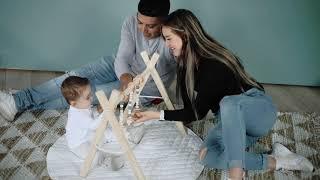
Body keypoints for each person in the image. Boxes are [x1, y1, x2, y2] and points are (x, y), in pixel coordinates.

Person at [133, 9, 314, 179]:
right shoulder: (185, 66)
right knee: (207, 155)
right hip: (232, 125)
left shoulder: (213, 65)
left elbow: (208, 110)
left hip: (257, 112)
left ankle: (236, 173)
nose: (167, 44)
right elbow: (193, 112)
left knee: (228, 103)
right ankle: (279, 160)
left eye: (169, 38)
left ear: (185, 35)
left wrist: (156, 115)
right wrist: (154, 115)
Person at [0, 0, 175, 121]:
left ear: (164, 21)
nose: (143, 31)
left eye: (151, 26)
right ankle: (17, 101)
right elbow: (123, 57)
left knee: (83, 95)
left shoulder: (172, 35)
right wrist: (125, 78)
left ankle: (21, 106)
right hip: (120, 67)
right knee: (73, 78)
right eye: (140, 23)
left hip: (145, 86)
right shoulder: (130, 21)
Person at [62, 76, 124, 170]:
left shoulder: (81, 106)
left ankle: (126, 135)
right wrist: (106, 112)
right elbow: (93, 125)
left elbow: (90, 117)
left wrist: (99, 112)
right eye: (88, 97)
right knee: (92, 156)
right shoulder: (77, 115)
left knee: (106, 131)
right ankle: (107, 162)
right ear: (73, 103)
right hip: (79, 144)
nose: (92, 98)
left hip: (87, 135)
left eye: (90, 94)